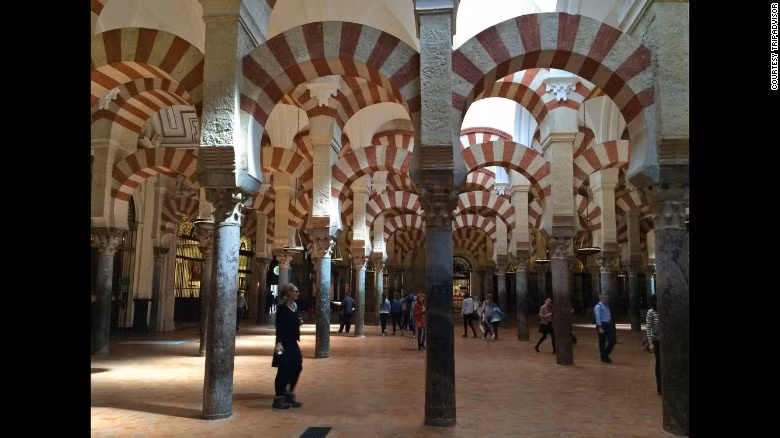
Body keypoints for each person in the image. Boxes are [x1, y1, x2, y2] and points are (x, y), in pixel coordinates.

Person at [272, 283, 304, 409]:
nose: (297, 293)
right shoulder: (282, 308)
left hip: (293, 341)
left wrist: (298, 322)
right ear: (289, 293)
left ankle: (289, 392)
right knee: (283, 368)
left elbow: (293, 320)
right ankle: (279, 397)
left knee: (297, 365)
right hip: (283, 343)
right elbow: (279, 325)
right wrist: (279, 343)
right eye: (295, 291)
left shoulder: (295, 306)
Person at [646, 294, 661, 395]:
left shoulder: (666, 310)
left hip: (667, 341)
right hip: (657, 341)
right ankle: (660, 386)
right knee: (659, 363)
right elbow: (648, 328)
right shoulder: (651, 312)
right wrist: (650, 343)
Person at [594, 293, 617, 363]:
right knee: (602, 342)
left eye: (607, 298)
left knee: (613, 340)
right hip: (602, 325)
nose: (606, 299)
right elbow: (598, 318)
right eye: (604, 298)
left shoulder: (606, 305)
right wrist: (600, 327)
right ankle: (604, 357)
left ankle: (605, 354)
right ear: (600, 298)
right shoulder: (598, 306)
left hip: (607, 324)